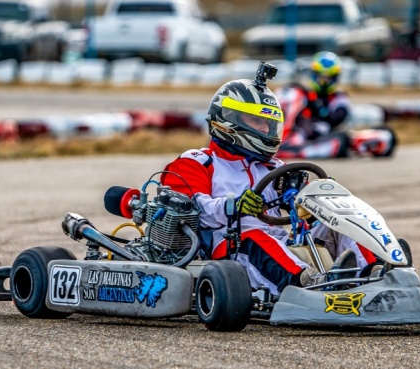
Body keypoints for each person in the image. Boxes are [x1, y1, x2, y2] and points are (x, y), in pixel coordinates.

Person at [160, 62, 376, 296]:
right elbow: (193, 211)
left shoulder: (274, 167)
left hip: (281, 246)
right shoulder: (196, 162)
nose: (266, 130)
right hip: (230, 253)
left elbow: (297, 209)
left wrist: (317, 201)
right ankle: (312, 285)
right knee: (254, 235)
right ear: (229, 118)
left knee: (338, 218)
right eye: (258, 122)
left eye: (269, 123)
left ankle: (375, 273)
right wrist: (234, 206)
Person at [277, 51, 352, 159]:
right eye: (321, 78)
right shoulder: (305, 94)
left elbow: (337, 119)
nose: (323, 82)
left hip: (322, 133)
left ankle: (293, 149)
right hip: (298, 130)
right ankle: (279, 137)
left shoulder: (340, 99)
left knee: (339, 140)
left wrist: (317, 107)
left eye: (327, 79)